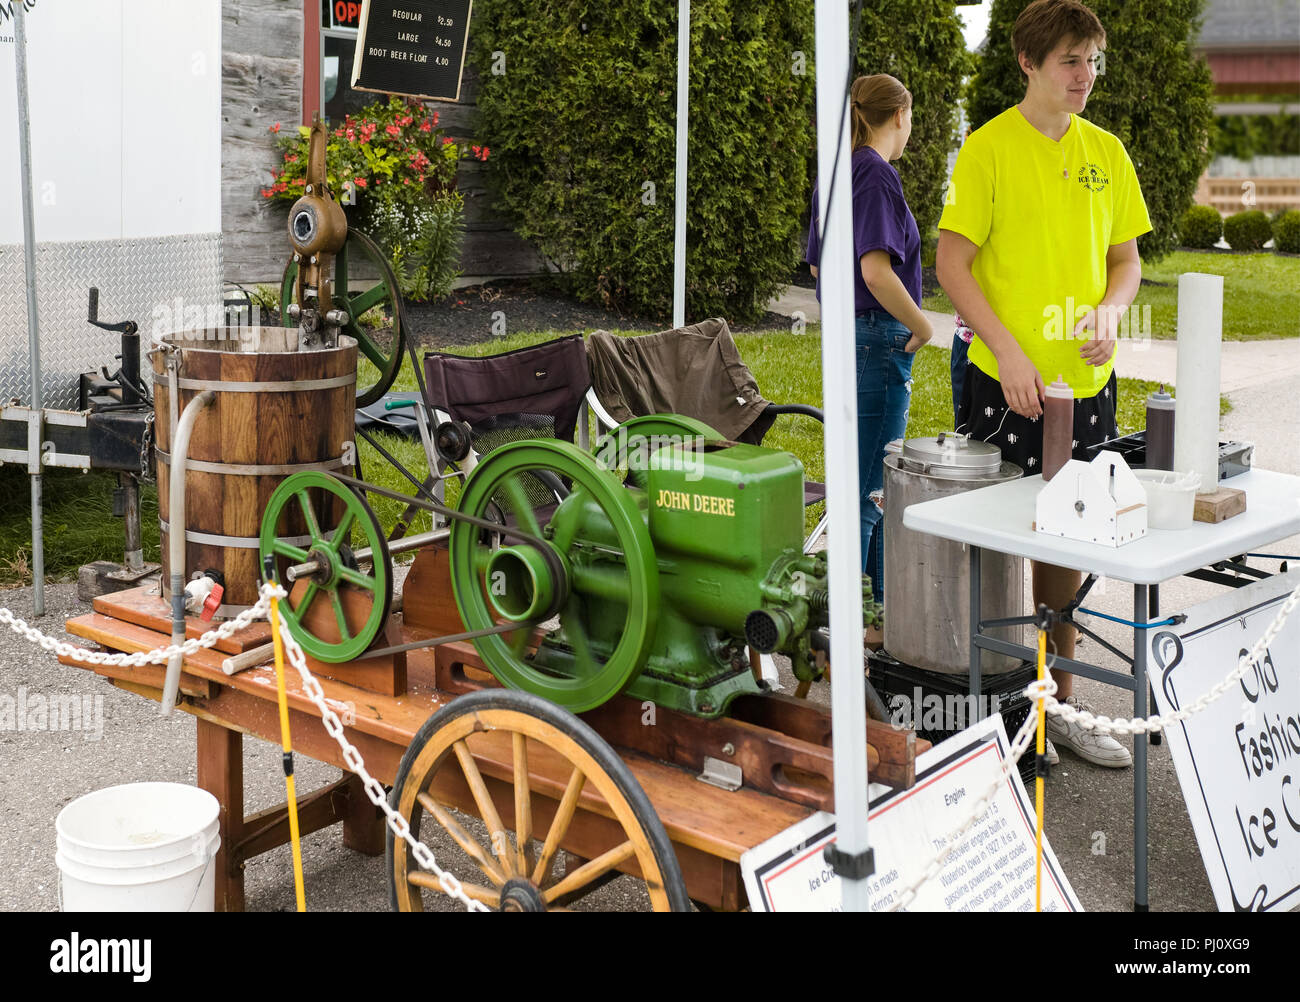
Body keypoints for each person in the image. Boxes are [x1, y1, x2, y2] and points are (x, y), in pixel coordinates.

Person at [937, 0, 1151, 768]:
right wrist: (1008, 350)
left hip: (1086, 386)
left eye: (1093, 59)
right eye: (1070, 60)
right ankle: (998, 704)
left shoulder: (1110, 153)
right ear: (1027, 63)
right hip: (1004, 381)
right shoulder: (988, 149)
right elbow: (952, 263)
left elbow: (1126, 263)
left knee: (1071, 536)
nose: (1085, 74)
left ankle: (1060, 703)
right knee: (999, 547)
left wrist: (1112, 312)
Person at [806, 74, 932, 626]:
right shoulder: (878, 175)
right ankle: (847, 625)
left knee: (873, 487)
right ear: (899, 115)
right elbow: (876, 271)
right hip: (879, 339)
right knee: (867, 492)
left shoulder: (836, 172)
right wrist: (922, 326)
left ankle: (881, 614)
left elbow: (816, 265)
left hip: (847, 338)